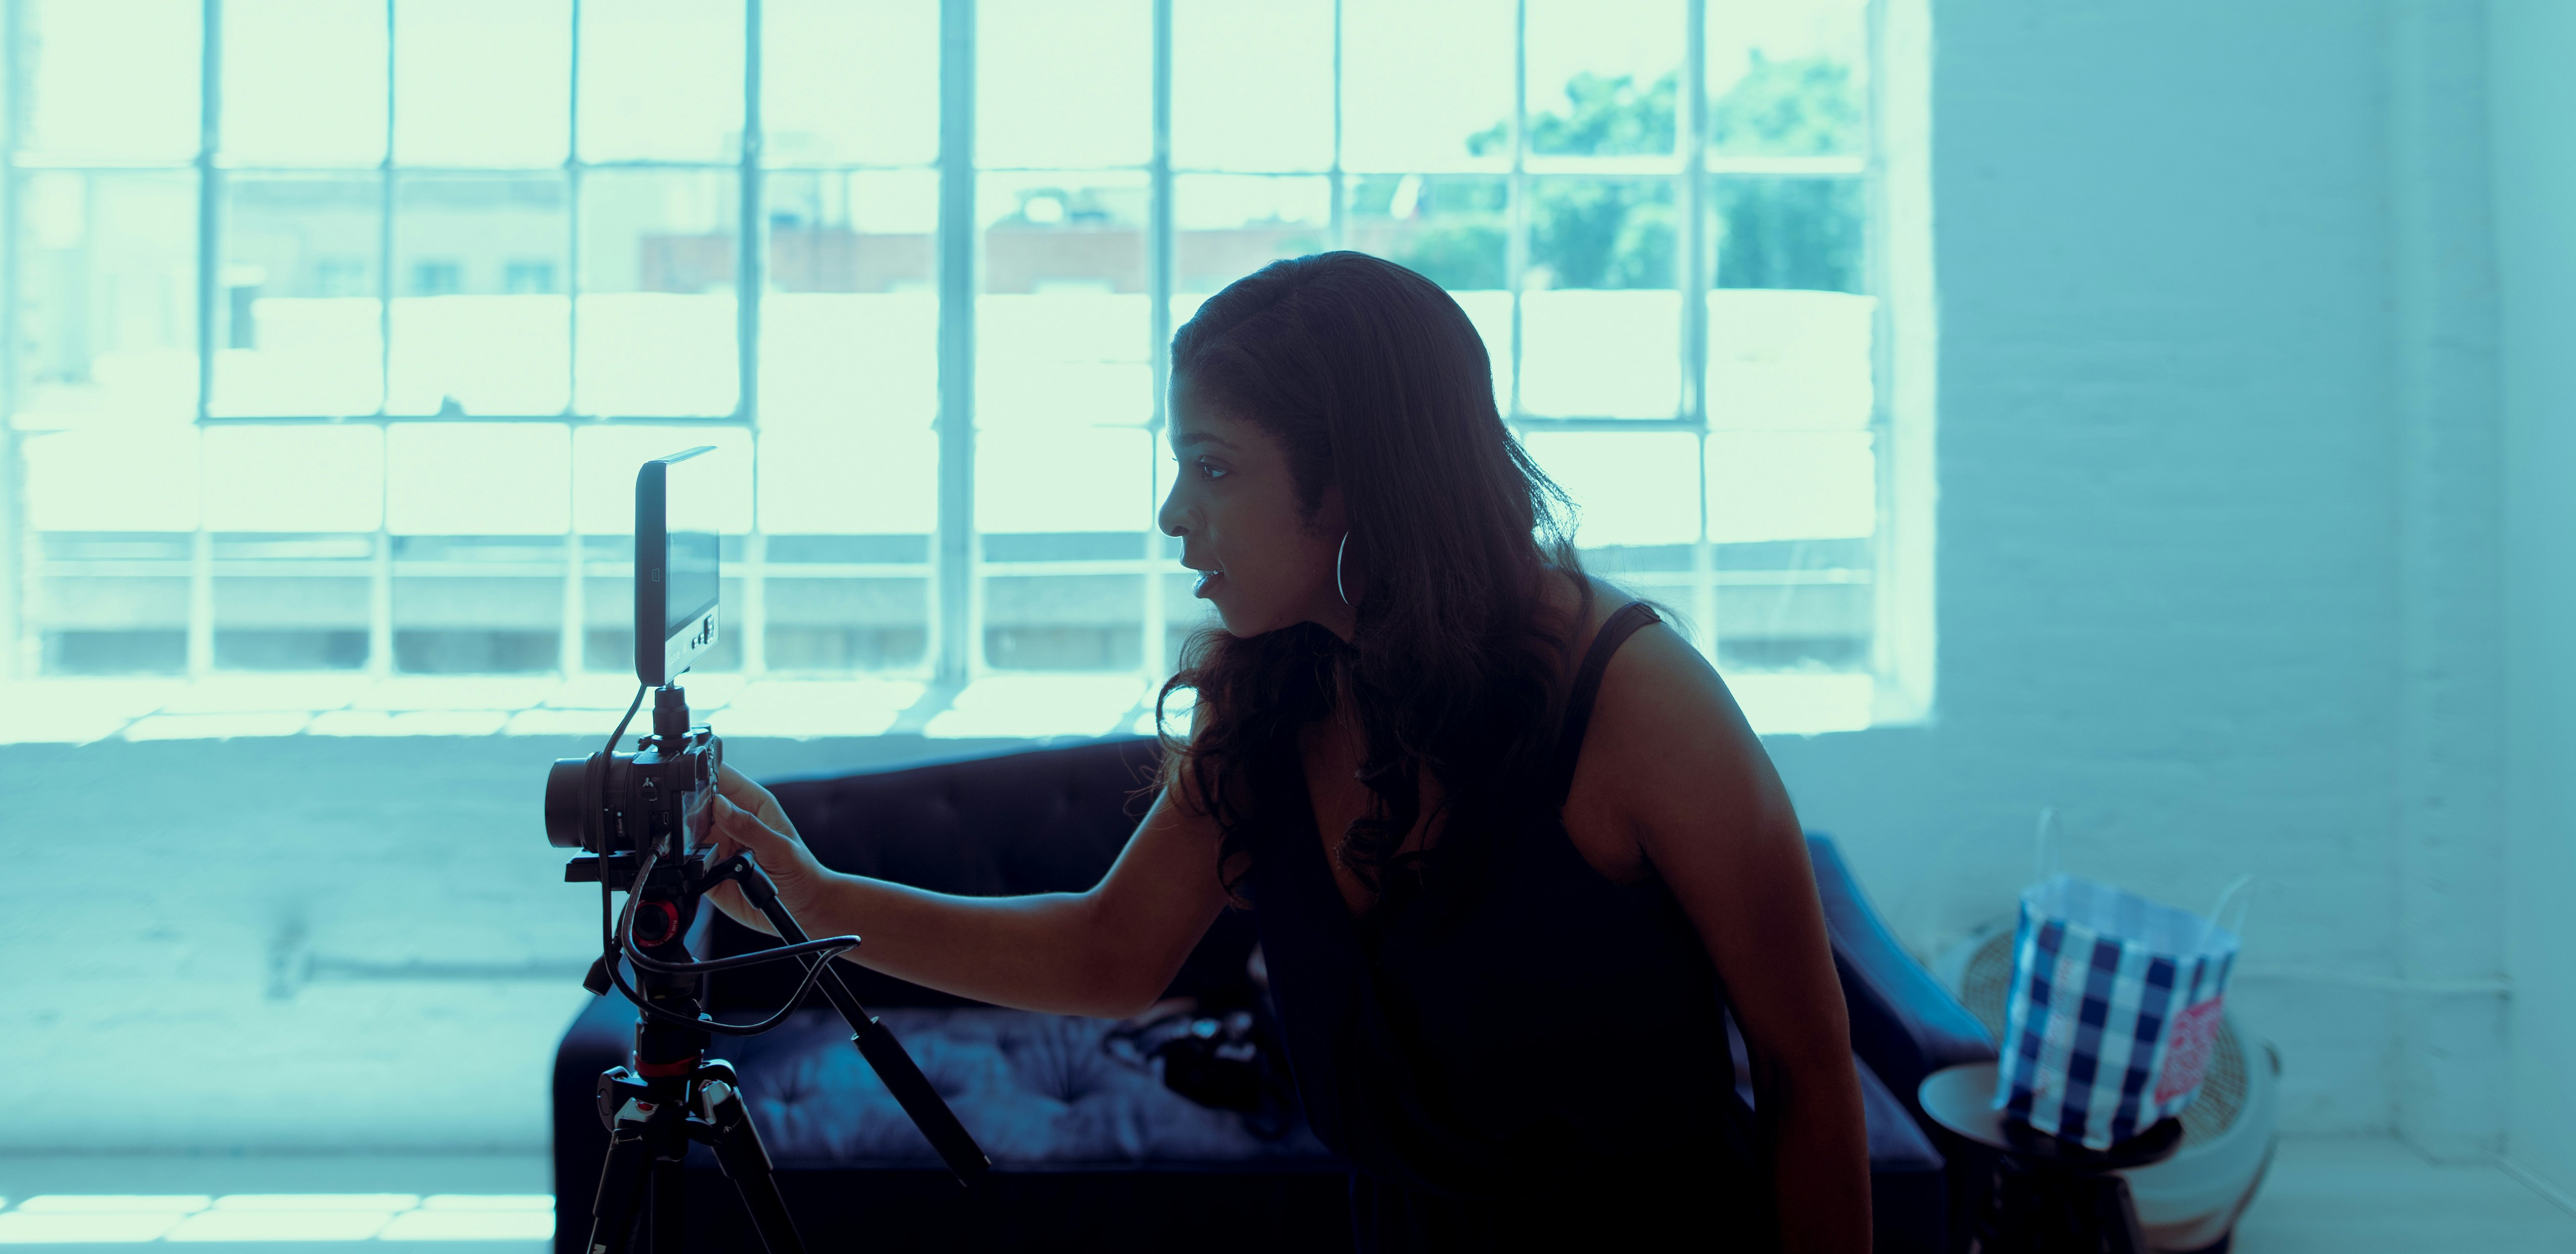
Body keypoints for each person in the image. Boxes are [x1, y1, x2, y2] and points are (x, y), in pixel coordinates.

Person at [703, 251, 1869, 1251]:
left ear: (1363, 483)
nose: (1171, 512)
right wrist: (808, 897)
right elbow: (1109, 953)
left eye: (1210, 466)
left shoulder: (1634, 698)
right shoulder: (1273, 690)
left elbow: (1810, 1074)